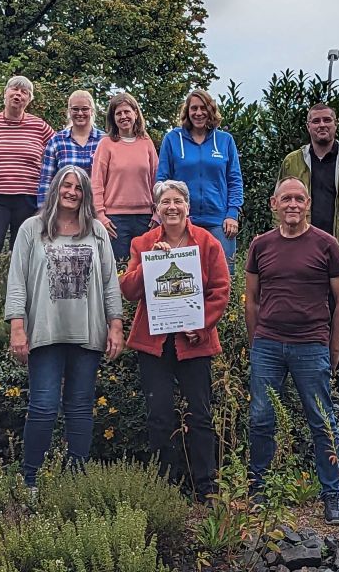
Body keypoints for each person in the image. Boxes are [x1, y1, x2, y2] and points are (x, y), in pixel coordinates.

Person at [5, 165, 125, 489]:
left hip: (88, 334)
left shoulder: (97, 231)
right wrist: (18, 326)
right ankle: (30, 481)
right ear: (55, 188)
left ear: (86, 195)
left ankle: (75, 482)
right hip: (45, 331)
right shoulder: (32, 229)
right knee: (43, 407)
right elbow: (16, 281)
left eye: (78, 188)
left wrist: (116, 325)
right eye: (66, 186)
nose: (71, 192)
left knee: (80, 408)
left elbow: (110, 282)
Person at [245, 177, 339, 525]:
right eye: (285, 198)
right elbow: (252, 300)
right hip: (268, 344)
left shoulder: (326, 244)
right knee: (261, 418)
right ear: (274, 204)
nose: (292, 204)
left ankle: (333, 494)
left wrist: (333, 348)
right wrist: (256, 341)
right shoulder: (260, 245)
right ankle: (259, 487)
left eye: (299, 199)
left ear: (308, 204)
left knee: (322, 420)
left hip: (311, 344)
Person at [119, 180, 230, 501]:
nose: (171, 207)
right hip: (153, 343)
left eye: (177, 201)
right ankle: (166, 486)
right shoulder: (143, 243)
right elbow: (128, 290)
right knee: (159, 414)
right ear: (156, 210)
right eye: (165, 202)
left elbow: (221, 291)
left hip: (194, 341)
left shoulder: (208, 243)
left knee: (200, 412)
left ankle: (205, 485)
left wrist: (202, 325)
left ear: (187, 207)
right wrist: (147, 266)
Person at [278, 103, 339, 396]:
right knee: (303, 313)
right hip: (302, 252)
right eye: (316, 121)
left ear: (336, 124)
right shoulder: (293, 161)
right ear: (308, 126)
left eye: (327, 120)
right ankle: (304, 382)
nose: (322, 125)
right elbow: (281, 202)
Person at [0, 75, 57, 256]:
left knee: (25, 252)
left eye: (24, 92)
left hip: (29, 198)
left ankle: (19, 285)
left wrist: (48, 176)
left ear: (29, 100)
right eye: (14, 89)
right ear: (5, 94)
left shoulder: (39, 126)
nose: (18, 95)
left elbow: (59, 150)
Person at [157, 89, 243, 270]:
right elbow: (162, 181)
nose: (198, 113)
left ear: (210, 110)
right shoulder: (172, 139)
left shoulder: (225, 140)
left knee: (224, 275)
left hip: (220, 222)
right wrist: (164, 213)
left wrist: (232, 214)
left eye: (203, 108)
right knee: (184, 276)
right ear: (187, 111)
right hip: (183, 221)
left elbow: (234, 180)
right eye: (193, 108)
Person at [91, 92, 158, 260]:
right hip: (115, 221)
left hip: (145, 219)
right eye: (118, 113)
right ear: (113, 118)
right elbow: (97, 183)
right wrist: (101, 216)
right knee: (119, 271)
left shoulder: (146, 143)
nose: (123, 116)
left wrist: (158, 214)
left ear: (135, 113)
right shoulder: (106, 144)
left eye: (127, 112)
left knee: (145, 271)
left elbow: (157, 181)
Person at [37, 90, 105, 205]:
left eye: (84, 109)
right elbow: (46, 180)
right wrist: (43, 211)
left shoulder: (104, 141)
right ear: (69, 111)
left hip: (96, 207)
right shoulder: (57, 141)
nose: (80, 113)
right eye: (75, 109)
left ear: (92, 111)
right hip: (65, 207)